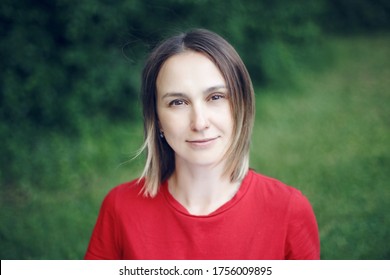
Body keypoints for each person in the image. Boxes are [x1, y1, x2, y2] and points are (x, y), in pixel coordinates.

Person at [84, 28, 320, 260]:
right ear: (156, 119)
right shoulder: (120, 208)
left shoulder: (288, 210)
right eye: (178, 102)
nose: (199, 122)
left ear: (242, 105)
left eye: (216, 97)